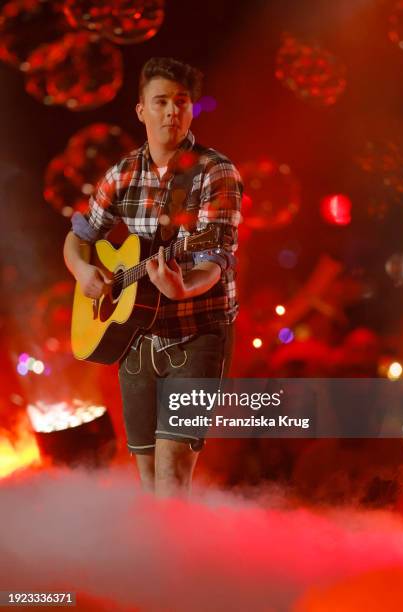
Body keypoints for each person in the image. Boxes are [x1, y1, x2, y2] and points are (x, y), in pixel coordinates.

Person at [63, 57, 242, 497]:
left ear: (191, 109)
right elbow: (77, 239)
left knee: (172, 477)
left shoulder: (215, 171)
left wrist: (184, 286)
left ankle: (180, 566)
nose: (171, 112)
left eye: (181, 102)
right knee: (147, 484)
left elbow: (215, 259)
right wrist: (84, 270)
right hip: (136, 336)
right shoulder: (122, 173)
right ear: (141, 110)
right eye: (160, 102)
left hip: (197, 333)